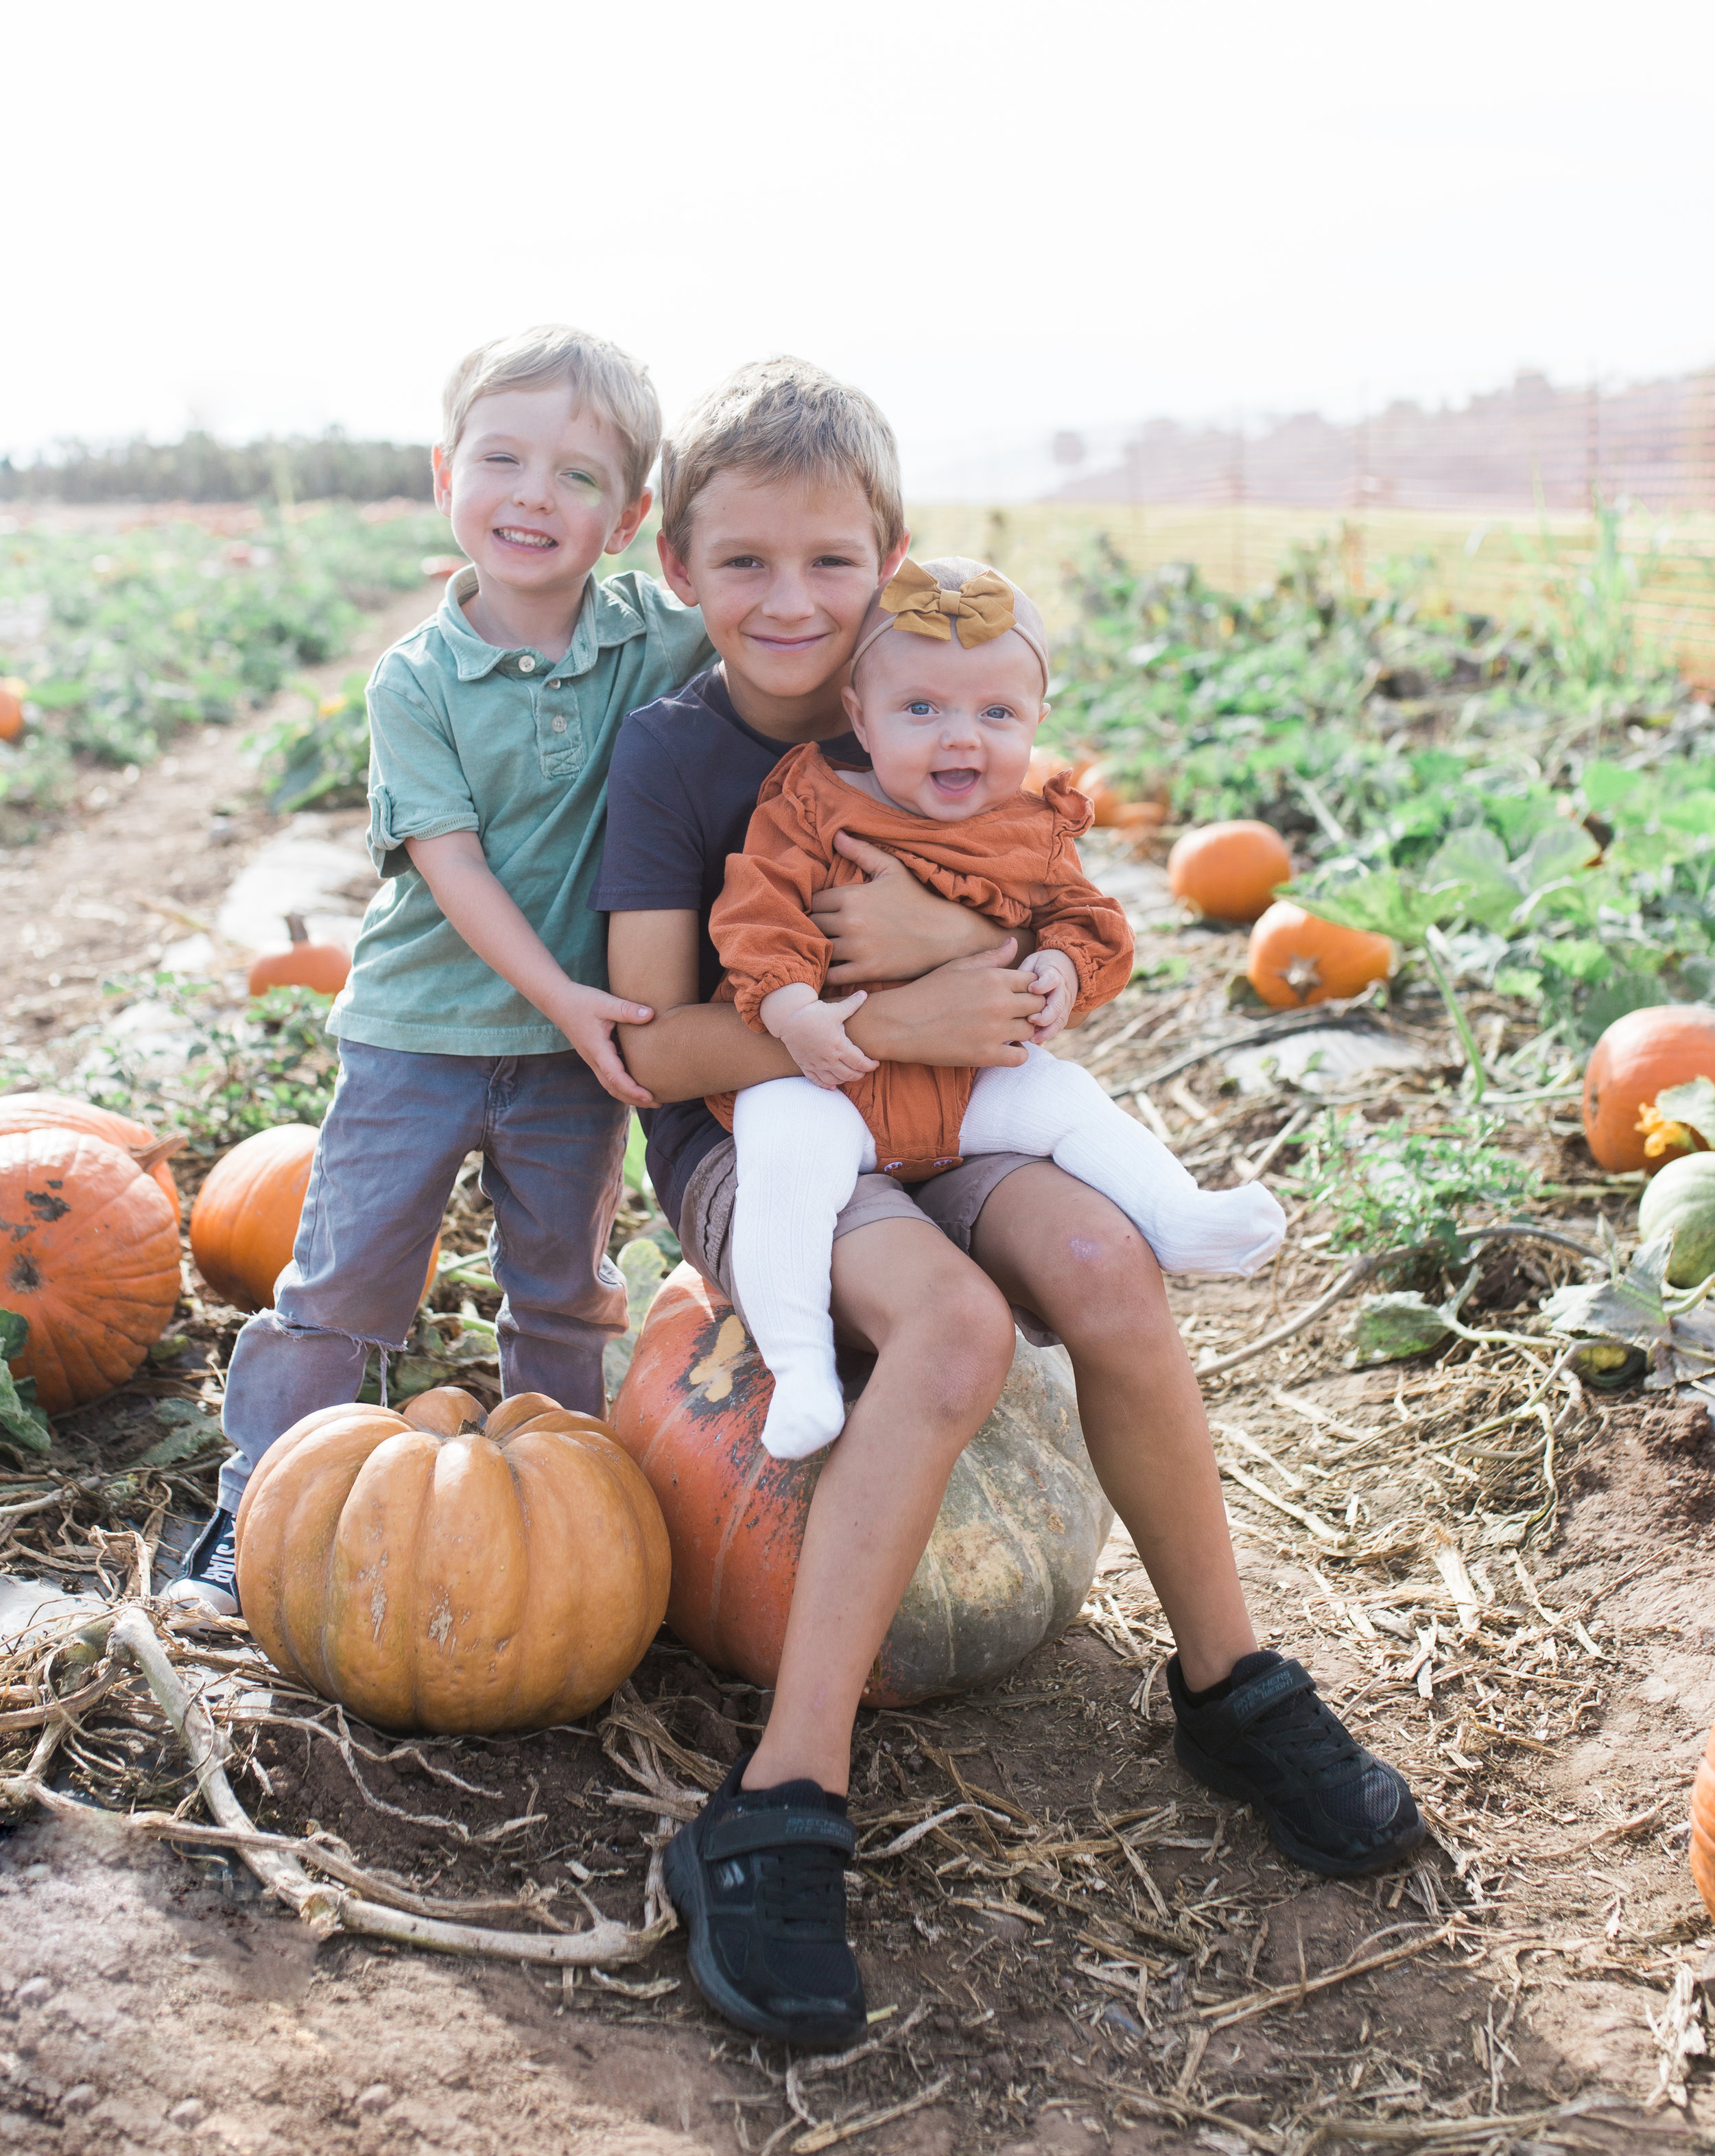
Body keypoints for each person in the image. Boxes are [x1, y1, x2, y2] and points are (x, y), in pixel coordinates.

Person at [593, 356, 1423, 2053]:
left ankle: (1227, 1684)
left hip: (954, 1103)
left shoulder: (935, 699)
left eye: (829, 562)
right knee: (958, 1329)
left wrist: (983, 961)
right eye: (743, 563)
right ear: (681, 566)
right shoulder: (671, 759)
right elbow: (645, 1048)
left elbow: (1057, 912)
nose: (789, 600)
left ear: (889, 554)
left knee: (1109, 1265)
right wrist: (889, 1006)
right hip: (765, 1127)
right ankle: (780, 1791)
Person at [166, 322, 712, 1614]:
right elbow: (452, 863)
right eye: (503, 458)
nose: (534, 494)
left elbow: (769, 646)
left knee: (565, 1293)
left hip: (571, 1055)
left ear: (631, 514)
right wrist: (569, 992)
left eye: (579, 476)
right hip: (420, 1032)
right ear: (444, 475)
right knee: (346, 1281)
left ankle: (562, 1524)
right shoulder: (414, 680)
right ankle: (259, 1506)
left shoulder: (654, 642)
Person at [707, 554, 1286, 1460]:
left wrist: (1058, 964)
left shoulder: (1028, 828)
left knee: (1065, 1099)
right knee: (780, 1150)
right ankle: (800, 1368)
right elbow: (757, 916)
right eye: (922, 709)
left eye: (997, 714)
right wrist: (790, 1012)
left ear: (1038, 722)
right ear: (860, 715)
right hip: (837, 1083)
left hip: (969, 1085)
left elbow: (1091, 923)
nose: (961, 739)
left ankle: (1174, 1212)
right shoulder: (812, 809)